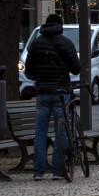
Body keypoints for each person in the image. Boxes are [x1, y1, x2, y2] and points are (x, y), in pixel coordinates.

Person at [24, 13, 81, 181]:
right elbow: (76, 69)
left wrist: (40, 77)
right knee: (61, 130)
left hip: (42, 93)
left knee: (40, 132)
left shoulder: (35, 44)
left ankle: (38, 171)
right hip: (61, 92)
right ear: (60, 27)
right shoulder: (66, 44)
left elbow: (28, 71)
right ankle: (58, 170)